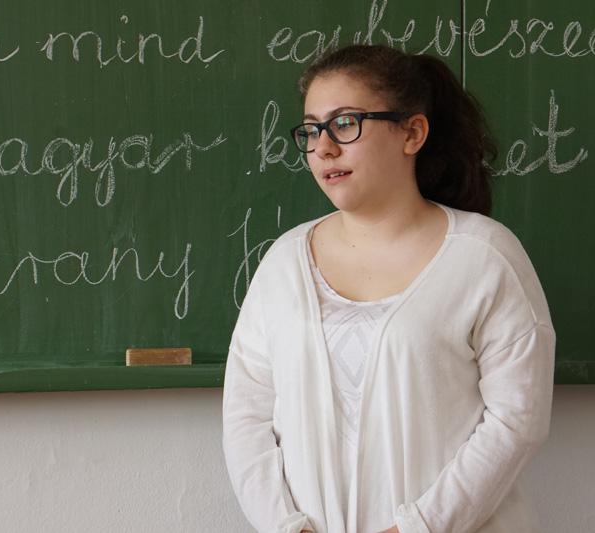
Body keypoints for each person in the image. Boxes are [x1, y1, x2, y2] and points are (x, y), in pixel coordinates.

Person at [221, 44, 555, 533]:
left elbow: (517, 419)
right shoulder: (283, 263)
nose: (323, 147)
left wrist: (418, 527)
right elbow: (245, 418)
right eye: (311, 130)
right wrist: (287, 525)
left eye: (345, 123)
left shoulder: (484, 257)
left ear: (412, 132)